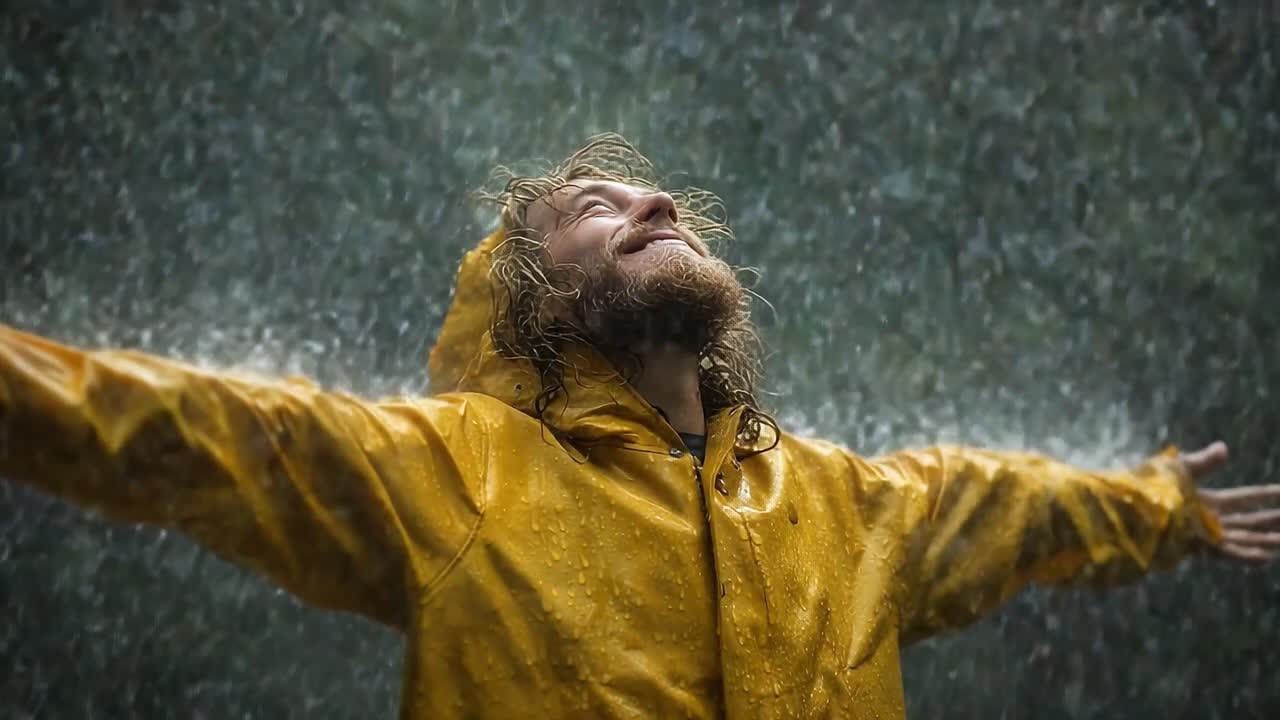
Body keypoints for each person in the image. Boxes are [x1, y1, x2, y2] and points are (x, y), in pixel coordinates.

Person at [1, 134, 1276, 720]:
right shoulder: (446, 471)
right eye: (597, 208)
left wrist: (1159, 507)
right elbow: (168, 424)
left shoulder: (844, 505)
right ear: (538, 297)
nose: (654, 198)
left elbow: (1006, 507)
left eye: (656, 198)